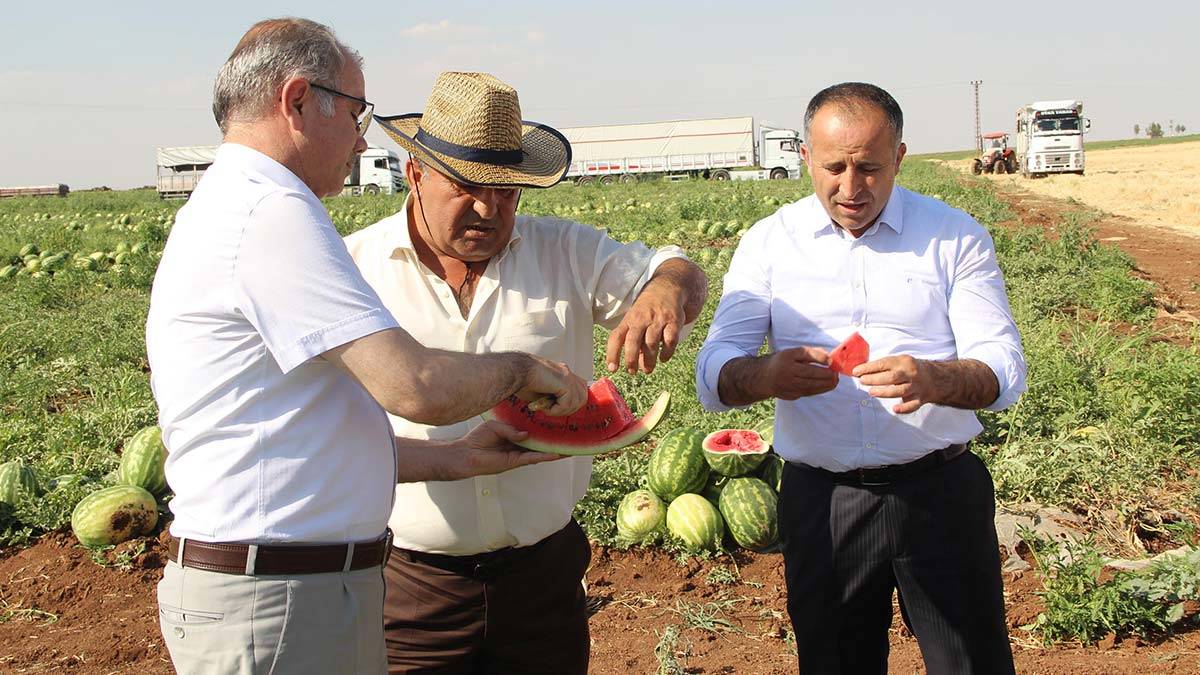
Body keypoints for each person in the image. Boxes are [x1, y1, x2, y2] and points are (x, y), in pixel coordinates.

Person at [145, 21, 588, 675]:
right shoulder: (269, 213)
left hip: (278, 590)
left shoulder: (228, 205)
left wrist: (456, 459)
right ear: (297, 101)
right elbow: (415, 387)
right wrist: (522, 369)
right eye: (356, 114)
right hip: (279, 601)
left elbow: (300, 435)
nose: (359, 140)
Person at [343, 71, 709, 674]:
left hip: (544, 579)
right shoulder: (354, 269)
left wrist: (667, 290)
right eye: (468, 186)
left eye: (508, 191)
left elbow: (677, 267)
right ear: (416, 173)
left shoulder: (565, 250)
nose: (490, 208)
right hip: (407, 585)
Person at [695, 82, 1027, 674]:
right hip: (824, 500)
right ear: (804, 157)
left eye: (870, 168)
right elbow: (715, 369)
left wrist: (935, 379)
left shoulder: (954, 237)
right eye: (833, 167)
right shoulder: (770, 244)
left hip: (941, 494)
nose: (850, 189)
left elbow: (1003, 369)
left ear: (900, 157)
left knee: (970, 662)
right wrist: (767, 374)